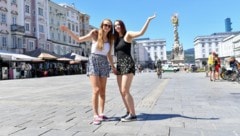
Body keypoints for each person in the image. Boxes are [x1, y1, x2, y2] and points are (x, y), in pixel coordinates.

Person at [60, 19, 116, 125]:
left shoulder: (110, 39)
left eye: (109, 25)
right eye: (105, 25)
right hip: (94, 61)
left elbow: (109, 55)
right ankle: (95, 115)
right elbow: (79, 39)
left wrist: (113, 67)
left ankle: (101, 114)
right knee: (96, 89)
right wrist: (67, 30)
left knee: (103, 91)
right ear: (102, 25)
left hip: (104, 62)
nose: (107, 27)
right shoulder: (94, 34)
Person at [113, 14, 156, 121]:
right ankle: (128, 111)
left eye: (118, 25)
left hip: (127, 64)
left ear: (122, 26)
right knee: (121, 91)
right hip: (119, 65)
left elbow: (141, 32)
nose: (117, 27)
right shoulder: (116, 39)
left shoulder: (128, 34)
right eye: (115, 25)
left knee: (125, 90)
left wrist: (148, 20)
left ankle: (133, 115)